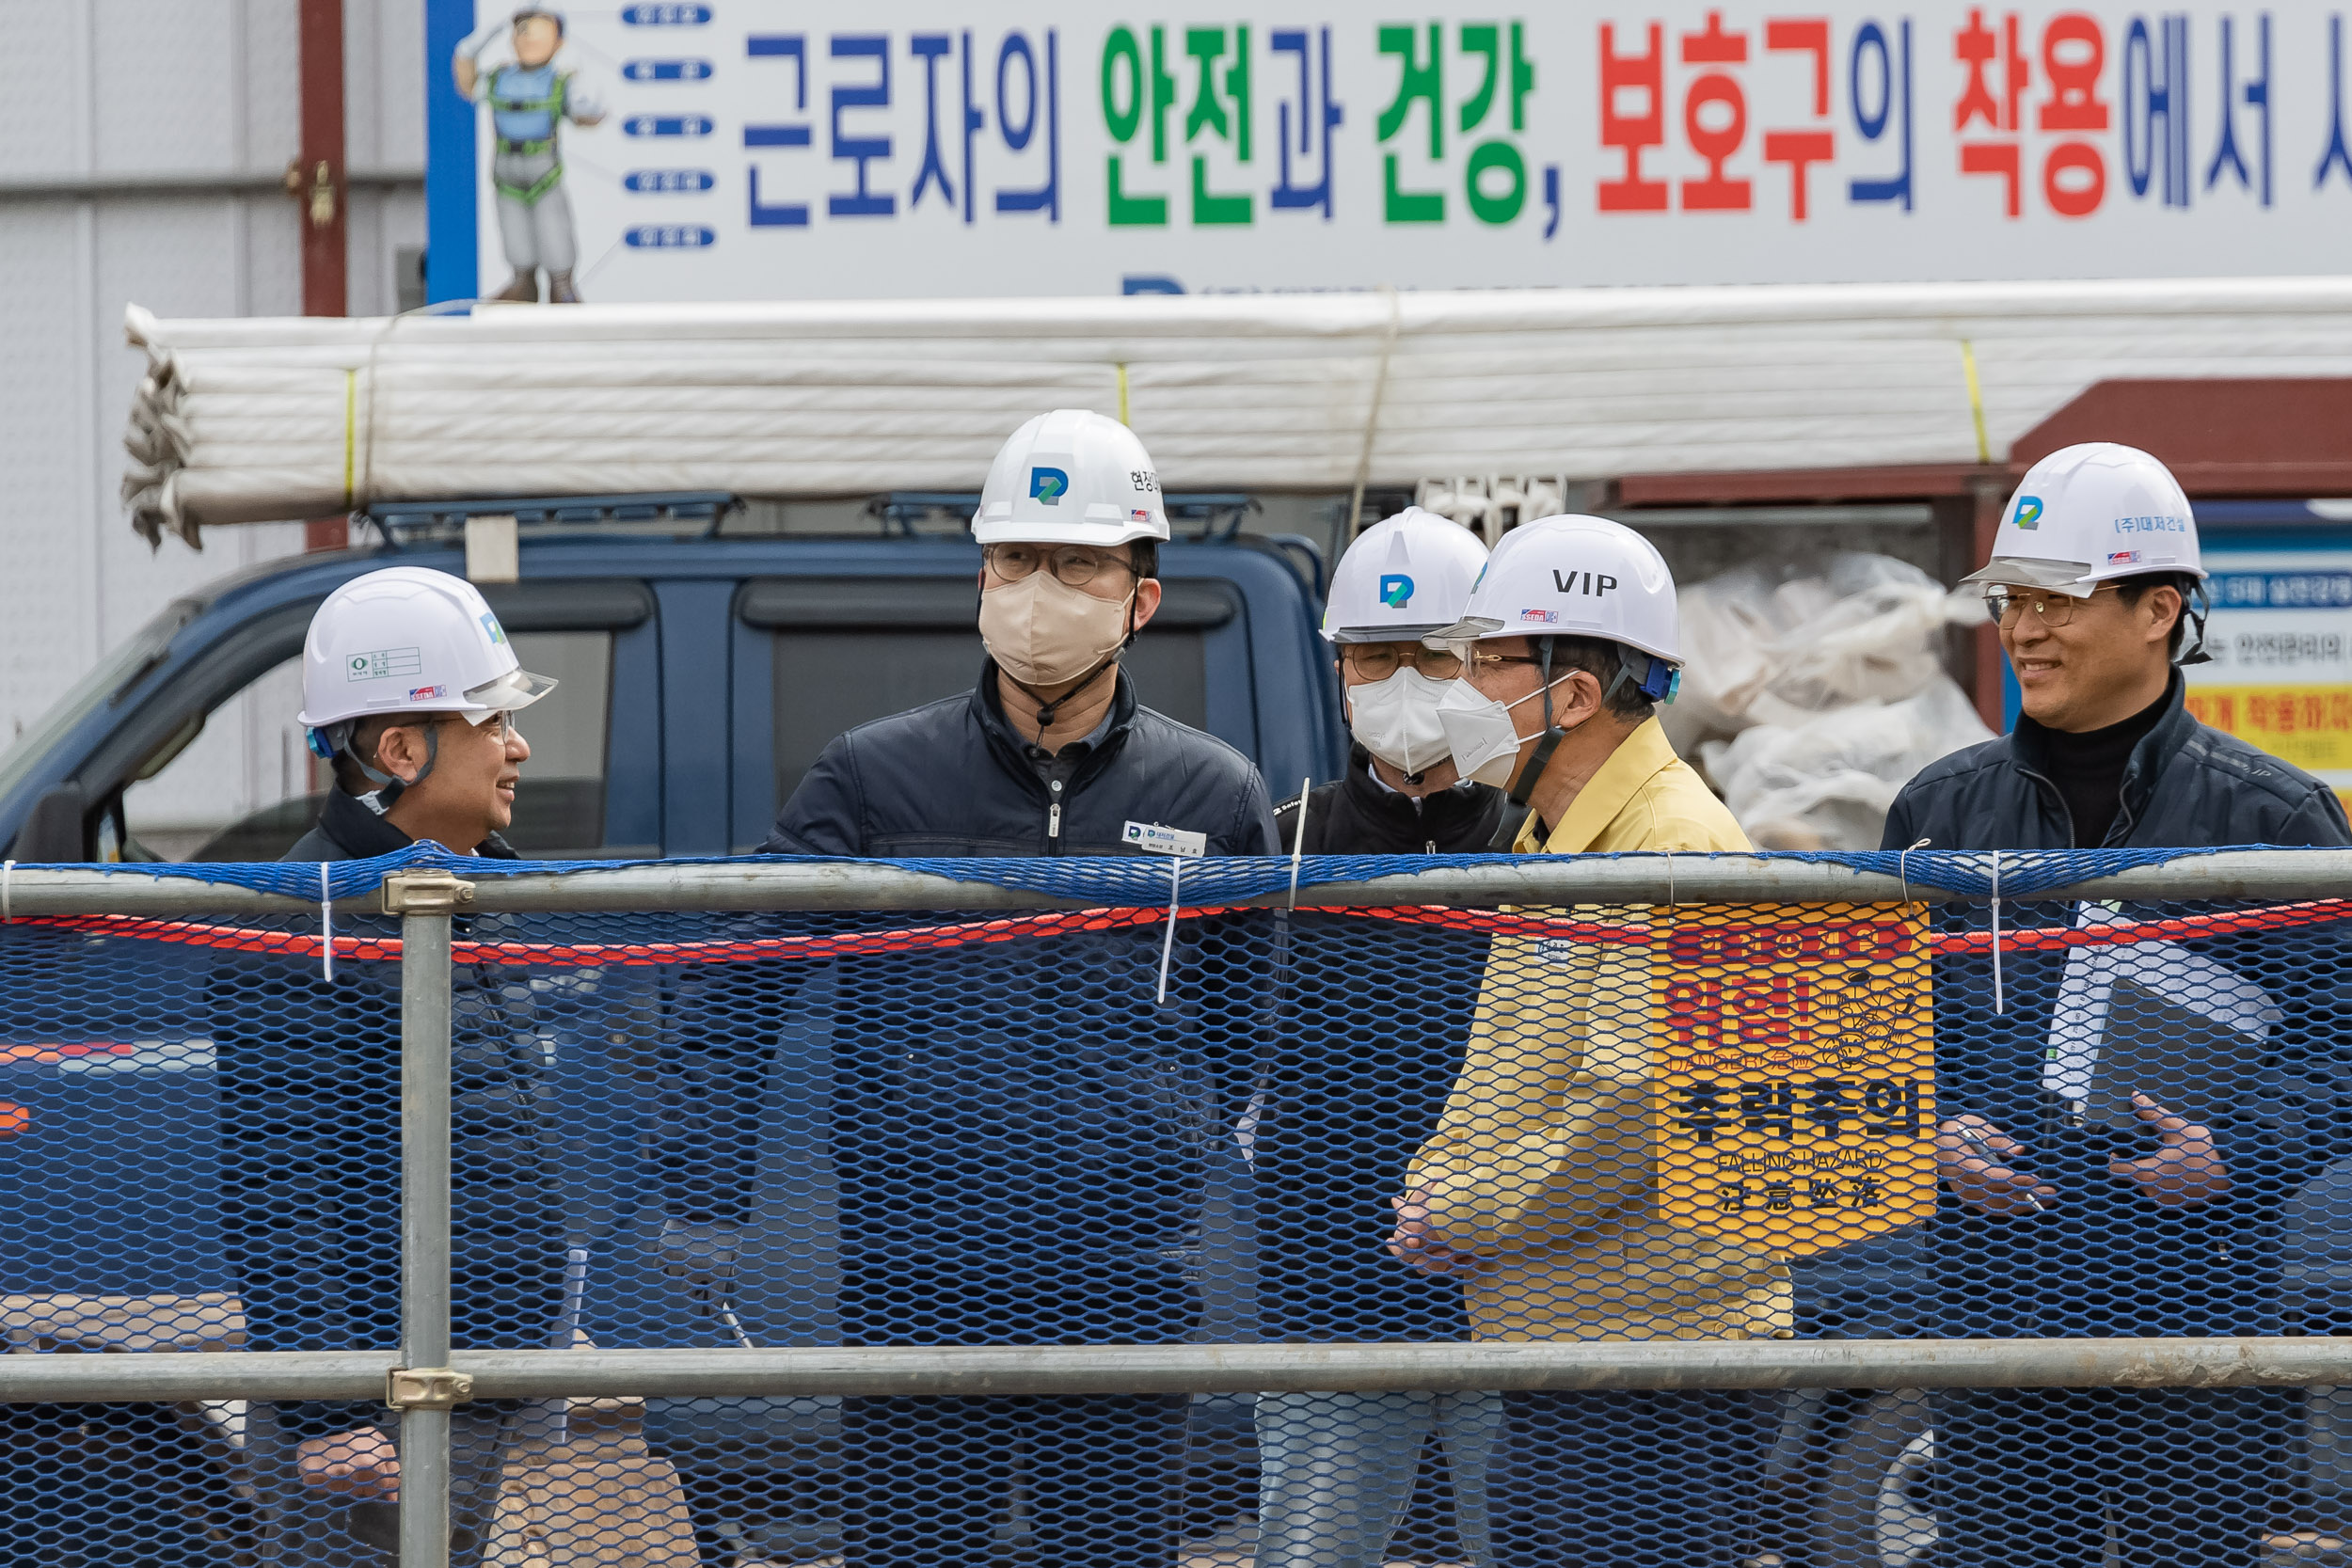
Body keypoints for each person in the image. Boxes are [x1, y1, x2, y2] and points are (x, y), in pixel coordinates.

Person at [761, 409, 1279, 1568]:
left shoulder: (1213, 791)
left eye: (1079, 562)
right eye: (1015, 559)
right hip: (915, 1266)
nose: (1038, 590)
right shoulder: (872, 773)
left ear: (1140, 597)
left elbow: (1248, 1025)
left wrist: (1169, 1140)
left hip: (1124, 1271)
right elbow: (739, 971)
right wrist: (702, 1194)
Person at [1881, 442, 2352, 1568]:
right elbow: (1874, 1034)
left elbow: (2339, 1051)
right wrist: (1929, 1131)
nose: (2023, 627)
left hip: (2192, 1299)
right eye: (2010, 598)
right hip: (1992, 1299)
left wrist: (2234, 1150)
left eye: (2056, 598)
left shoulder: (2273, 819)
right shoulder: (1936, 810)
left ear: (2159, 609)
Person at [1387, 515, 1778, 1568]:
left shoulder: (1675, 841)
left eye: (1484, 662)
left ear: (1571, 694)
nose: (1458, 690)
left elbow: (1633, 1096)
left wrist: (1459, 1208)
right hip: (1573, 1334)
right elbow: (1513, 1069)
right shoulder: (1559, 836)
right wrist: (1440, 1189)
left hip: (1657, 1362)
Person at [238, 566, 568, 1564]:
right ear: (399, 747)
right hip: (381, 1408)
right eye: (493, 721)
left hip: (468, 1379)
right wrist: (330, 1409)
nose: (520, 746)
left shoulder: (477, 886)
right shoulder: (311, 919)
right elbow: (276, 1179)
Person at [1255, 507, 1507, 1568]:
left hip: (1526, 1289)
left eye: (1432, 655)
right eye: (1374, 656)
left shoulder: (1546, 844)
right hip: (1331, 1292)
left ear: (1489, 663)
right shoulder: (1282, 843)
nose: (1401, 683)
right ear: (1340, 669)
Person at [453, 7, 603, 305]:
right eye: (523, 31)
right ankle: (522, 284)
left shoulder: (560, 82)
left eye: (540, 31)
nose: (530, 38)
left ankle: (561, 286)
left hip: (543, 170)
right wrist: (476, 42)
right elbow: (467, 83)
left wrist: (588, 102)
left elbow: (588, 115)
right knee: (514, 229)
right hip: (506, 169)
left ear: (558, 42)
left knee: (554, 228)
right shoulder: (498, 79)